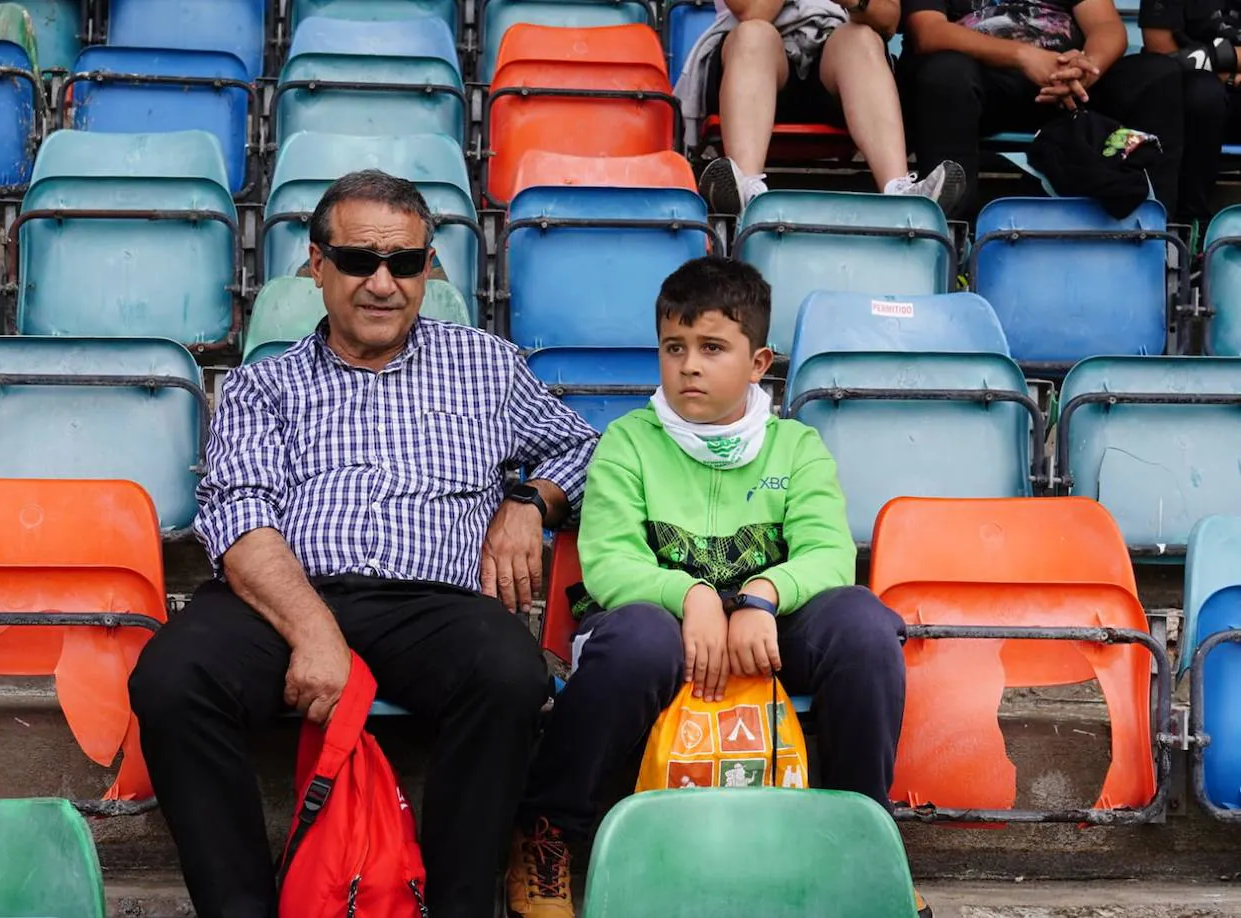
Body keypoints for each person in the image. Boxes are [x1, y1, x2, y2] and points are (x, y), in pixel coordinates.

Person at [128, 169, 599, 918]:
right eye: (358, 261)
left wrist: (526, 500)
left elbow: (583, 450)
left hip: (431, 604)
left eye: (405, 263)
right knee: (171, 679)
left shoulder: (486, 366)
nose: (383, 283)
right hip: (282, 598)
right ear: (317, 266)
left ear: (428, 268)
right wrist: (315, 631)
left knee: (510, 673)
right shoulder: (264, 385)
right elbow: (240, 519)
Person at [505, 257, 922, 918]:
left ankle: (861, 839)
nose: (689, 366)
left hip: (768, 626)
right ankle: (550, 834)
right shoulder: (627, 444)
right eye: (674, 348)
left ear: (759, 363)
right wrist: (693, 597)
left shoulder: (796, 447)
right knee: (638, 639)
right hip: (658, 628)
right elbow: (610, 561)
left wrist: (761, 595)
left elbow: (828, 555)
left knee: (864, 626)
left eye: (711, 348)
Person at [897, 0, 1185, 219]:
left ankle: (1152, 234)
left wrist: (1085, 68)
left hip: (1068, 84)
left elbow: (1107, 27)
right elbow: (928, 32)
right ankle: (951, 234)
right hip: (982, 81)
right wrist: (1025, 57)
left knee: (1156, 74)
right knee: (944, 74)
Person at [677, 0, 966, 216]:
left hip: (834, 62)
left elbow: (887, 20)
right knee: (755, 33)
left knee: (862, 37)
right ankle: (745, 192)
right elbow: (753, 10)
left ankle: (899, 192)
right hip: (754, 62)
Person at [1140, 0, 1241, 224]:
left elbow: (1186, 57)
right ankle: (1191, 223)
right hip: (1195, 99)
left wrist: (1210, 56)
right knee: (1200, 93)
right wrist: (1231, 72)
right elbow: (1163, 56)